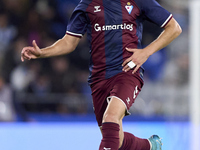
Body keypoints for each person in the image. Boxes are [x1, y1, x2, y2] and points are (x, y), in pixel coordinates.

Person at [21, 0, 182, 149]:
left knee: (111, 117)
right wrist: (42, 52)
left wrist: (146, 52)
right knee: (114, 139)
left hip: (127, 72)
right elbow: (69, 42)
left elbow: (174, 27)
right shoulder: (87, 5)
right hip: (99, 78)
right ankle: (150, 146)